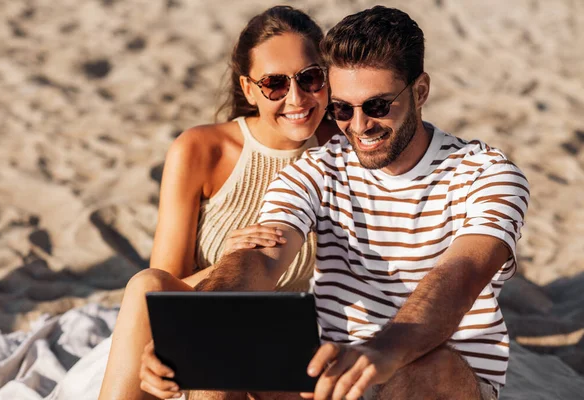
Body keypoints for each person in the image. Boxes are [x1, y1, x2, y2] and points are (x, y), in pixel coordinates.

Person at [139, 5, 530, 400]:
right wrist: (194, 329)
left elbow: (458, 278)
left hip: (432, 380)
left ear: (420, 91)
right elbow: (260, 256)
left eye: (378, 106)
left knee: (428, 365)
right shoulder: (317, 167)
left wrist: (381, 351)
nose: (359, 126)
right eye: (343, 108)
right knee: (220, 340)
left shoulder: (487, 175)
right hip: (332, 382)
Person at [98, 6, 335, 400]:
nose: (297, 98)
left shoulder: (342, 150)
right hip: (207, 333)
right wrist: (232, 264)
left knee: (232, 346)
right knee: (146, 285)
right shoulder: (202, 149)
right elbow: (163, 288)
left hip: (296, 354)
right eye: (275, 84)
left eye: (310, 78)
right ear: (248, 89)